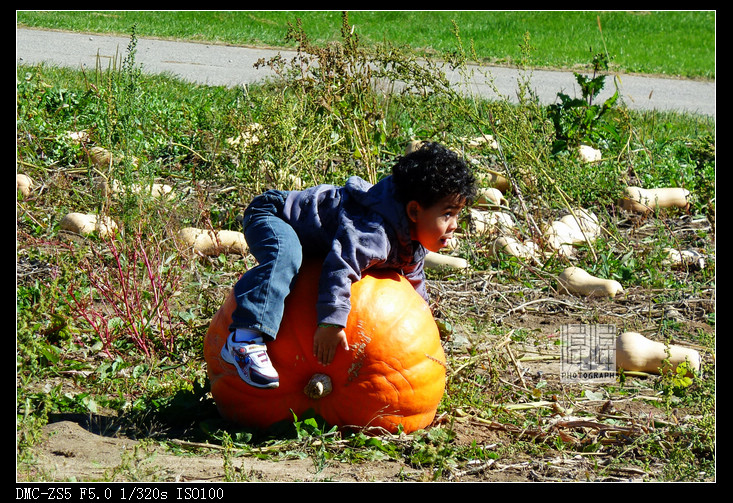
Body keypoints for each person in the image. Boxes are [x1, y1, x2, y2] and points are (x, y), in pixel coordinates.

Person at [220, 142, 477, 388]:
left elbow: (415, 288)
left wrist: (425, 330)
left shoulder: (412, 245)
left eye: (456, 214)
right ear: (414, 212)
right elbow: (340, 268)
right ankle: (243, 339)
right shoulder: (372, 232)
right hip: (273, 215)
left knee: (296, 257)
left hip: (307, 234)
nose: (454, 224)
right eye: (447, 214)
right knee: (287, 255)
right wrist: (331, 322)